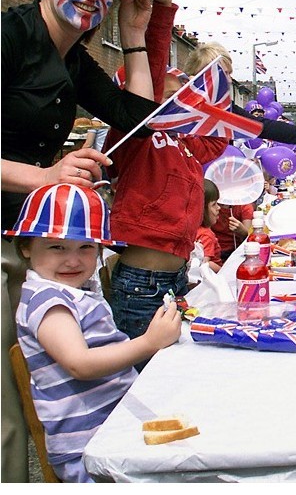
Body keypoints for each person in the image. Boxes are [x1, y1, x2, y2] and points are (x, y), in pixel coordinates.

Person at [1, 0, 159, 482]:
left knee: (35, 393)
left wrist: (133, 34)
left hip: (30, 244)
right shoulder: (10, 37)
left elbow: (136, 120)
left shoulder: (72, 58)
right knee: (7, 412)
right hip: (9, 243)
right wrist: (46, 176)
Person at [6, 184, 181, 482]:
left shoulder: (73, 291)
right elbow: (80, 364)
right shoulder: (47, 299)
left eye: (86, 247)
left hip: (113, 428)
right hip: (87, 450)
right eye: (56, 247)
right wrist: (149, 343)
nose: (73, 260)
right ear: (26, 247)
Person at [104, 0, 228, 353]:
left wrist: (216, 85)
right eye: (168, 95)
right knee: (145, 373)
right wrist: (162, 13)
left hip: (173, 280)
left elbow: (218, 136)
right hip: (141, 283)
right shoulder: (135, 137)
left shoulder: (185, 144)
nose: (178, 102)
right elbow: (150, 73)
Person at [183, 42, 296, 145]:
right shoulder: (179, 104)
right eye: (225, 74)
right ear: (204, 74)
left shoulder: (223, 107)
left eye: (230, 74)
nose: (229, 80)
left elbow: (262, 126)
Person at [195, 180, 223, 273]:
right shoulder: (206, 235)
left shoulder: (192, 231)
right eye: (214, 204)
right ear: (202, 209)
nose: (218, 207)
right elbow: (204, 265)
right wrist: (224, 273)